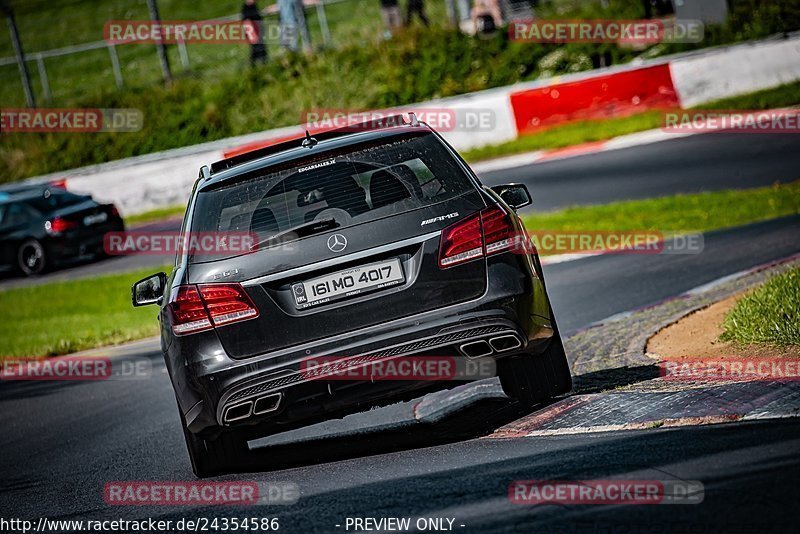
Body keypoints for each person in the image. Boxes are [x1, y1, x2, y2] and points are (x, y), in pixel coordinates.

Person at [241, 0, 267, 65]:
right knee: (257, 50)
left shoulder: (253, 6)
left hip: (258, 32)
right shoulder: (246, 8)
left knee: (260, 49)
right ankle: (257, 66)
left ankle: (262, 65)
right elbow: (247, 23)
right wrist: (252, 35)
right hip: (253, 33)